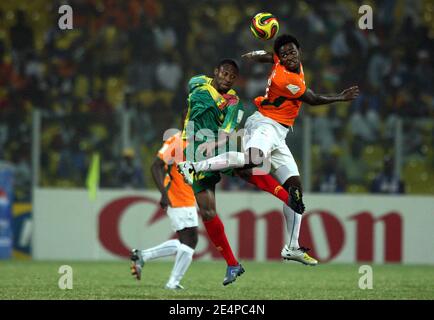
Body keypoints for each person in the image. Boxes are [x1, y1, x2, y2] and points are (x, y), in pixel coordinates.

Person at [179, 34, 359, 265]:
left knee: (295, 190)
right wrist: (340, 98)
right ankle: (194, 166)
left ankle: (292, 247)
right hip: (265, 124)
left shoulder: (283, 61)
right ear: (281, 60)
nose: (289, 57)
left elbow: (270, 56)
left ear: (298, 51)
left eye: (291, 52)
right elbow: (312, 99)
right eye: (284, 55)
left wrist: (257, 55)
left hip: (280, 133)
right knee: (252, 159)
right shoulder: (285, 78)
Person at [130, 131, 197, 290]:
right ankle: (172, 283)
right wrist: (164, 194)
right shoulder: (177, 140)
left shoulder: (195, 142)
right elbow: (156, 166)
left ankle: (142, 256)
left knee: (184, 242)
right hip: (177, 197)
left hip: (187, 197)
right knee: (190, 240)